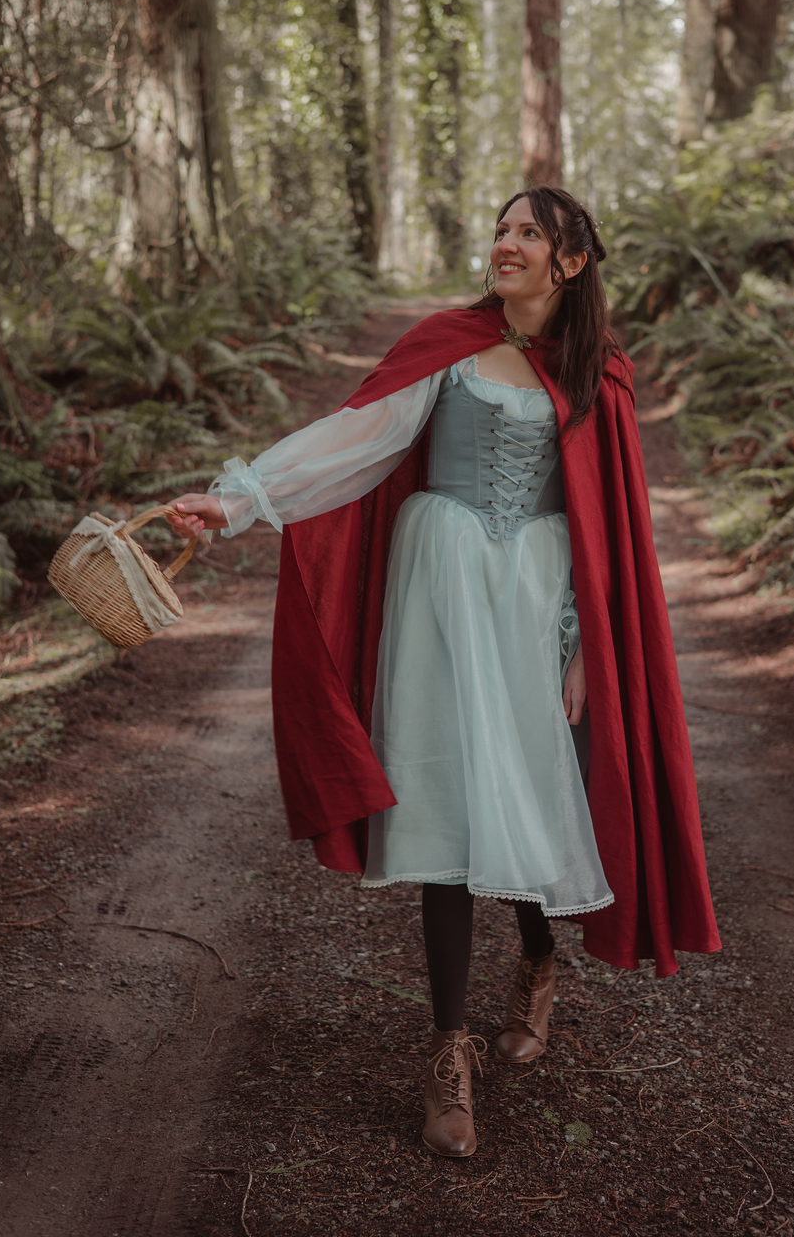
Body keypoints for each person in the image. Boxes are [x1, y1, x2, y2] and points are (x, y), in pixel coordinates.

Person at [169, 187, 720, 1159]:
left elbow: (612, 537)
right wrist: (239, 499)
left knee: (522, 795)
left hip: (533, 602)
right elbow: (356, 437)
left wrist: (590, 647)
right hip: (439, 593)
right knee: (446, 807)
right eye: (499, 230)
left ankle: (540, 962)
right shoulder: (448, 347)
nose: (503, 244)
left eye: (527, 234)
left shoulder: (600, 376)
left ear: (570, 262)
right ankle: (449, 1051)